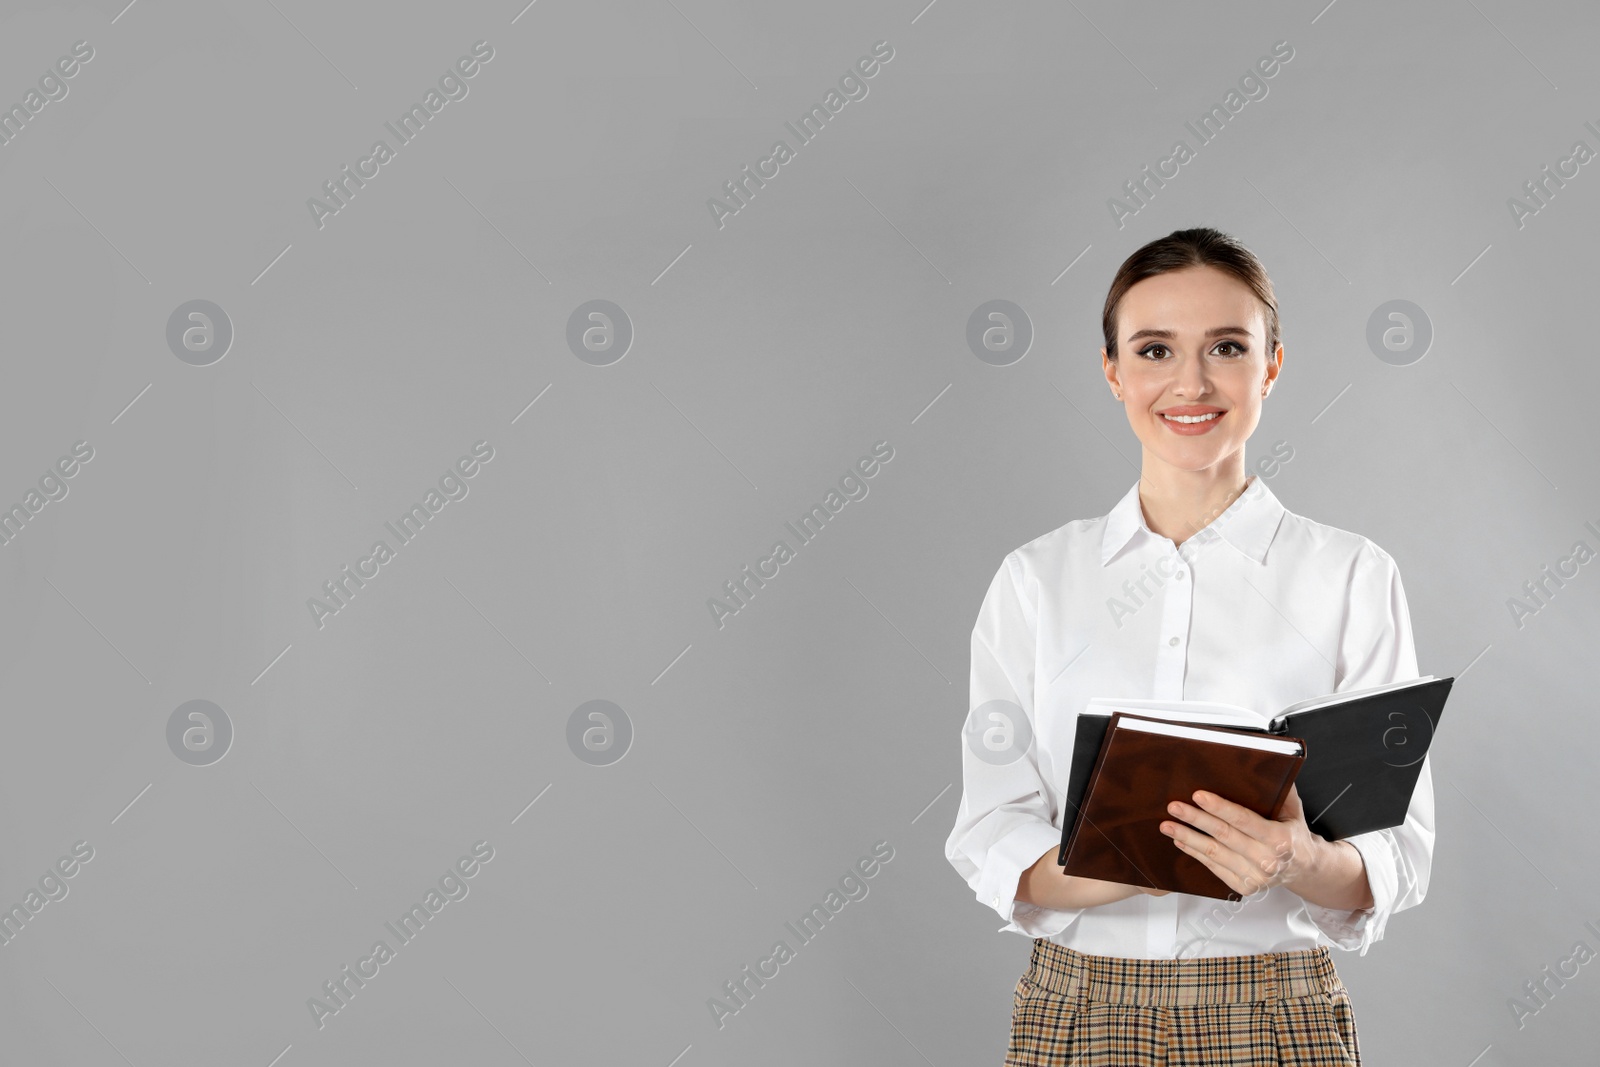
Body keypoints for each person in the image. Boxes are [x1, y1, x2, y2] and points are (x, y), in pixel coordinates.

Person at [944, 227, 1433, 1066]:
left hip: (1274, 1006)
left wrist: (1297, 857)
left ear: (1272, 364)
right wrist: (1136, 851)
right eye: (1155, 349)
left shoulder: (1352, 575)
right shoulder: (1036, 579)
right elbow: (994, 829)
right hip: (1079, 1007)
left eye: (1228, 346)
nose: (1191, 382)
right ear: (1113, 371)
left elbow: (1397, 850)